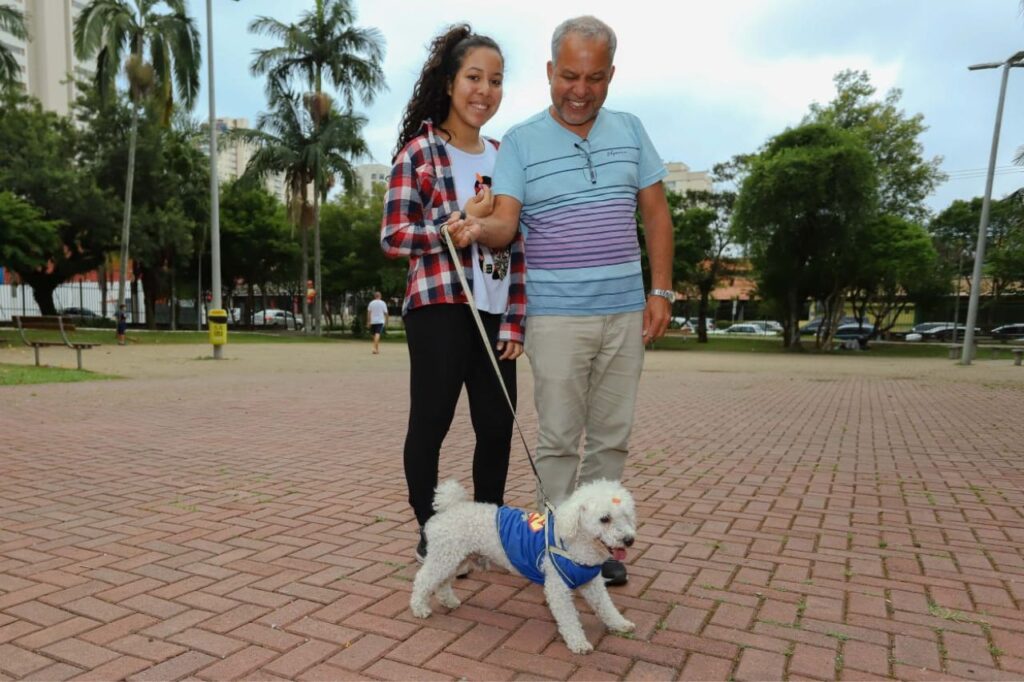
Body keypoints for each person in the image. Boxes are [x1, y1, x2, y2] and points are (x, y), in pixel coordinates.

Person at [449, 15, 674, 585]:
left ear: (611, 75)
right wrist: (477, 232)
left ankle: (599, 548)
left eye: (595, 78)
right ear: (550, 71)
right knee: (556, 440)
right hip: (554, 317)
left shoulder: (631, 130)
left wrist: (661, 291)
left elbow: (655, 213)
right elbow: (504, 223)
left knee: (610, 437)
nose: (581, 90)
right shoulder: (521, 141)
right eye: (569, 75)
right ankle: (558, 546)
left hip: (625, 311)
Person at [380, 24, 526, 564]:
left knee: (497, 427)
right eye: (473, 77)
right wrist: (455, 225)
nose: (483, 90)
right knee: (432, 423)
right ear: (448, 82)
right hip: (440, 308)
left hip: (494, 311)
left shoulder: (507, 156)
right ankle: (433, 533)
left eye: (495, 80)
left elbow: (519, 242)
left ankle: (488, 532)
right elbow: (394, 236)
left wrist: (515, 321)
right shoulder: (418, 153)